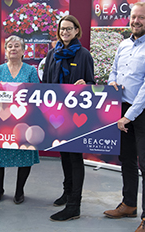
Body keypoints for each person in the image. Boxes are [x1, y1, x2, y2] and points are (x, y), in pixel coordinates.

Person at [103, 2, 145, 232]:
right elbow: (113, 71)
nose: (136, 21)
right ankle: (129, 204)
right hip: (123, 109)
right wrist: (112, 82)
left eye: (141, 17)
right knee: (127, 159)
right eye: (133, 17)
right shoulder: (123, 45)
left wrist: (128, 117)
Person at [42, 15, 95, 221]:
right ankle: (67, 192)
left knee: (75, 157)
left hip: (76, 114)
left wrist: (86, 85)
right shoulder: (52, 54)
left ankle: (75, 205)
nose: (65, 32)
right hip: (56, 113)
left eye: (69, 29)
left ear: (76, 31)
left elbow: (92, 83)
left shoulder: (83, 55)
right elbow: (46, 83)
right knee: (64, 154)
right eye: (62, 29)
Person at [0, 35, 40, 204]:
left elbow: (36, 95)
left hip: (24, 121)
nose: (13, 48)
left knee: (24, 156)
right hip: (1, 122)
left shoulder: (31, 71)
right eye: (9, 46)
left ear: (23, 51)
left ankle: (19, 191)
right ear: (6, 50)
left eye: (17, 46)